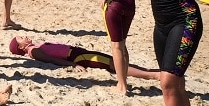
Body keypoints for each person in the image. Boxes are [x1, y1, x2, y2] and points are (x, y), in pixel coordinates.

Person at [9, 36, 159, 81]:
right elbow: (52, 60)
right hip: (78, 57)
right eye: (21, 38)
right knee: (112, 63)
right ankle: (150, 74)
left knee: (113, 60)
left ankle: (149, 72)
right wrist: (72, 65)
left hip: (78, 53)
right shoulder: (34, 51)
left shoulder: (35, 47)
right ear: (21, 47)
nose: (25, 36)